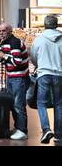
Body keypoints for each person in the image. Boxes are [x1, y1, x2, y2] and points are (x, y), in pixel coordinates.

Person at [30, 15, 62, 144]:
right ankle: (59, 135)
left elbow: (33, 58)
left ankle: (46, 129)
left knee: (41, 103)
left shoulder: (39, 39)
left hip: (44, 74)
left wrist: (40, 64)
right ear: (57, 24)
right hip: (60, 75)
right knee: (59, 104)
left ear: (44, 25)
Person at [0, 22, 29, 140]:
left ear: (10, 31)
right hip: (11, 77)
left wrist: (4, 55)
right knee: (13, 104)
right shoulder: (4, 43)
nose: (1, 33)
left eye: (3, 31)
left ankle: (23, 130)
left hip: (19, 78)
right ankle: (18, 127)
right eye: (0, 31)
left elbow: (17, 61)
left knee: (18, 104)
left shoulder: (14, 42)